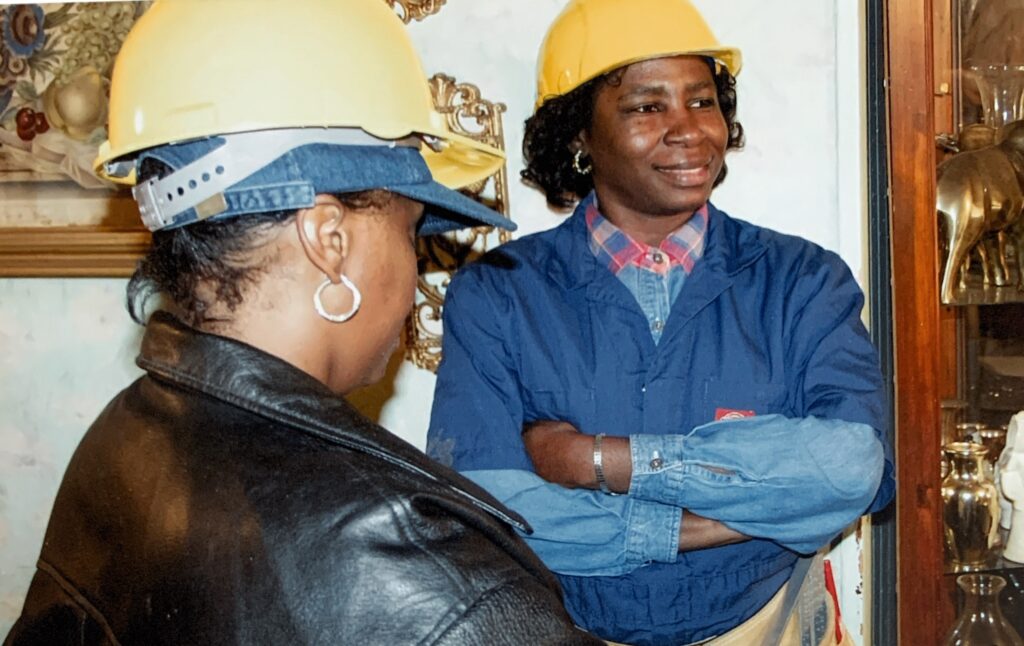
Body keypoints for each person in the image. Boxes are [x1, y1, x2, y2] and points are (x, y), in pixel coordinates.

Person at [4, 1, 602, 644]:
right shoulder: (447, 593)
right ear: (329, 240)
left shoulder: (122, 438)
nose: (415, 269)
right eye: (407, 231)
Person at [427, 0, 896, 644]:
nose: (689, 129)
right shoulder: (500, 294)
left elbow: (848, 468)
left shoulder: (802, 280)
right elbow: (490, 512)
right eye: (648, 107)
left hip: (767, 626)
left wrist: (598, 461)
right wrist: (734, 513)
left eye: (702, 102)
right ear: (578, 136)